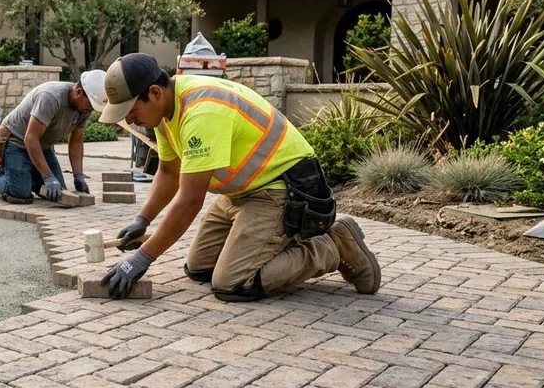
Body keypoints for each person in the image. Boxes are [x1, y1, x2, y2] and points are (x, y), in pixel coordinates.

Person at [95, 53, 380, 302]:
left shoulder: (202, 111)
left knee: (232, 283)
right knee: (198, 268)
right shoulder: (165, 112)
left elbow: (190, 200)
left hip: (281, 189)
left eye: (131, 111)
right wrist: (142, 220)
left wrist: (142, 258)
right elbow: (169, 172)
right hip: (242, 192)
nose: (129, 120)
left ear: (155, 92)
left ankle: (335, 246)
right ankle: (267, 243)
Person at [0, 70, 104, 204]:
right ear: (79, 92)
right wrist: (47, 176)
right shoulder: (51, 97)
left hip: (42, 147)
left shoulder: (83, 108)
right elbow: (30, 138)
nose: (90, 110)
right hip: (16, 143)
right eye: (91, 105)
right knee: (20, 194)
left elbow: (76, 141)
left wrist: (78, 176)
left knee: (58, 192)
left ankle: (26, 177)